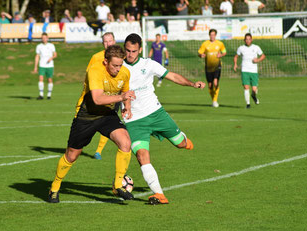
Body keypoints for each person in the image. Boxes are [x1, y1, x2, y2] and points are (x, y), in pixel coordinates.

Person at [123, 33, 205, 205]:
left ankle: (182, 138)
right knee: (141, 155)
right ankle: (159, 194)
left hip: (156, 113)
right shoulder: (118, 67)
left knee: (181, 144)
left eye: (133, 51)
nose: (130, 55)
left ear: (139, 50)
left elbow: (172, 76)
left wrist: (191, 84)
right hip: (134, 121)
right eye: (127, 51)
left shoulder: (148, 64)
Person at [48, 45, 136, 203]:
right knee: (72, 155)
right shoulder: (95, 70)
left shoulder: (125, 72)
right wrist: (121, 98)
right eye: (115, 65)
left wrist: (127, 107)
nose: (118, 69)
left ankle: (118, 185)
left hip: (107, 115)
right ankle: (55, 186)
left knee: (126, 142)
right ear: (105, 62)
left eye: (120, 65)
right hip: (86, 115)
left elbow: (126, 93)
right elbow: (97, 99)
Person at [87, 32, 117, 160]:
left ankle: (98, 151)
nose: (108, 44)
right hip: (100, 95)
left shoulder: (122, 57)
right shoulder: (96, 57)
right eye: (105, 41)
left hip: (115, 96)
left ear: (114, 42)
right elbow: (88, 74)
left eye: (110, 41)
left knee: (108, 121)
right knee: (93, 122)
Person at [233, 33, 265, 108]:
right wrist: (235, 64)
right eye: (246, 39)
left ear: (251, 39)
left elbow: (263, 56)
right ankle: (248, 104)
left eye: (249, 39)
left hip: (254, 71)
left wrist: (258, 60)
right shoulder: (241, 48)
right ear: (244, 40)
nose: (248, 41)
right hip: (245, 70)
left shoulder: (256, 47)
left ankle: (254, 96)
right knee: (246, 87)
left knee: (254, 90)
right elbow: (236, 57)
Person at [198, 29, 227, 108]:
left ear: (215, 35)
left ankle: (215, 101)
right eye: (211, 35)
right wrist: (201, 55)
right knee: (210, 85)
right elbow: (200, 53)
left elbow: (224, 52)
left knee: (215, 82)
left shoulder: (220, 44)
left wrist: (221, 55)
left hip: (217, 66)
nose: (212, 36)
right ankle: (213, 100)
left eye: (213, 35)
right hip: (208, 67)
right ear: (209, 35)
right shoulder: (205, 44)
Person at [33, 33, 57, 100]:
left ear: (47, 38)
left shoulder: (51, 45)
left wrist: (51, 58)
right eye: (42, 38)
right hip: (42, 65)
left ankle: (49, 95)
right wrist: (35, 66)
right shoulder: (39, 46)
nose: (43, 39)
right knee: (40, 78)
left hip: (50, 65)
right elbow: (37, 56)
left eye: (45, 38)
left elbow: (55, 54)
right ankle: (41, 95)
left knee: (49, 79)